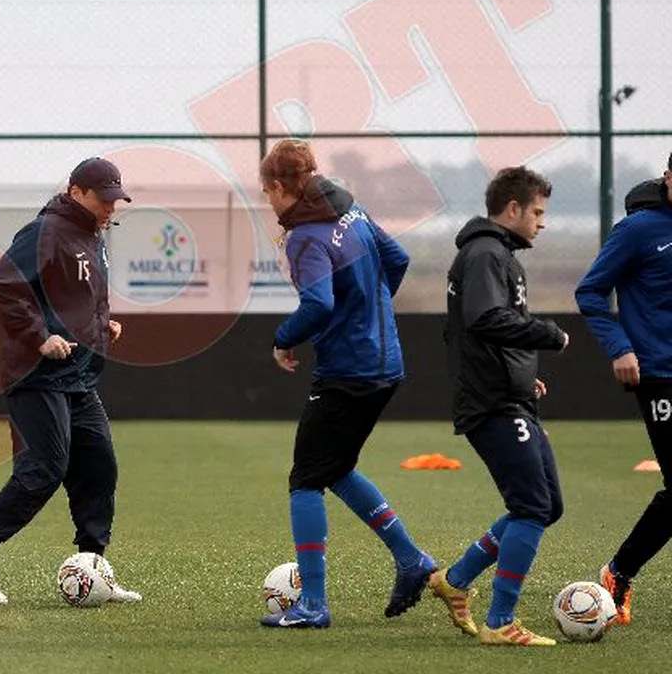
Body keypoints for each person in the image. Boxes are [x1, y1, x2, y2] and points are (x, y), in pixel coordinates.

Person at [255, 140, 435, 629]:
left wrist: (283, 339)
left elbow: (318, 305)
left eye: (267, 192)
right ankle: (411, 558)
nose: (268, 202)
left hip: (349, 371)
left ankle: (313, 603)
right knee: (335, 467)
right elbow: (397, 258)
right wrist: (369, 311)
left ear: (280, 188)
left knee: (305, 480)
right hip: (386, 364)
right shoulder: (351, 213)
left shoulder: (305, 237)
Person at [0, 156, 142, 606]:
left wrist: (104, 326)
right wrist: (39, 338)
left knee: (99, 466)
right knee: (46, 467)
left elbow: (80, 298)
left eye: (116, 200)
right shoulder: (46, 231)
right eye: (104, 198)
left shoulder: (95, 236)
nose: (111, 207)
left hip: (79, 378)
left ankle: (93, 568)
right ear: (77, 192)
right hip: (37, 375)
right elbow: (3, 285)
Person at [429, 165, 569, 646]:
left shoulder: (495, 252)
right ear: (512, 209)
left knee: (546, 505)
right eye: (536, 211)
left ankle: (456, 580)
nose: (541, 222)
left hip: (508, 395)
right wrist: (548, 334)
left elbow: (485, 329)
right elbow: (486, 318)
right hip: (492, 404)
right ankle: (500, 622)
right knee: (531, 505)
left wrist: (525, 376)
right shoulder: (486, 253)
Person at [575, 154, 672, 627]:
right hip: (659, 374)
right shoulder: (637, 231)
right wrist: (619, 347)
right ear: (669, 178)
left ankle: (619, 571)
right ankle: (617, 573)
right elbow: (590, 292)